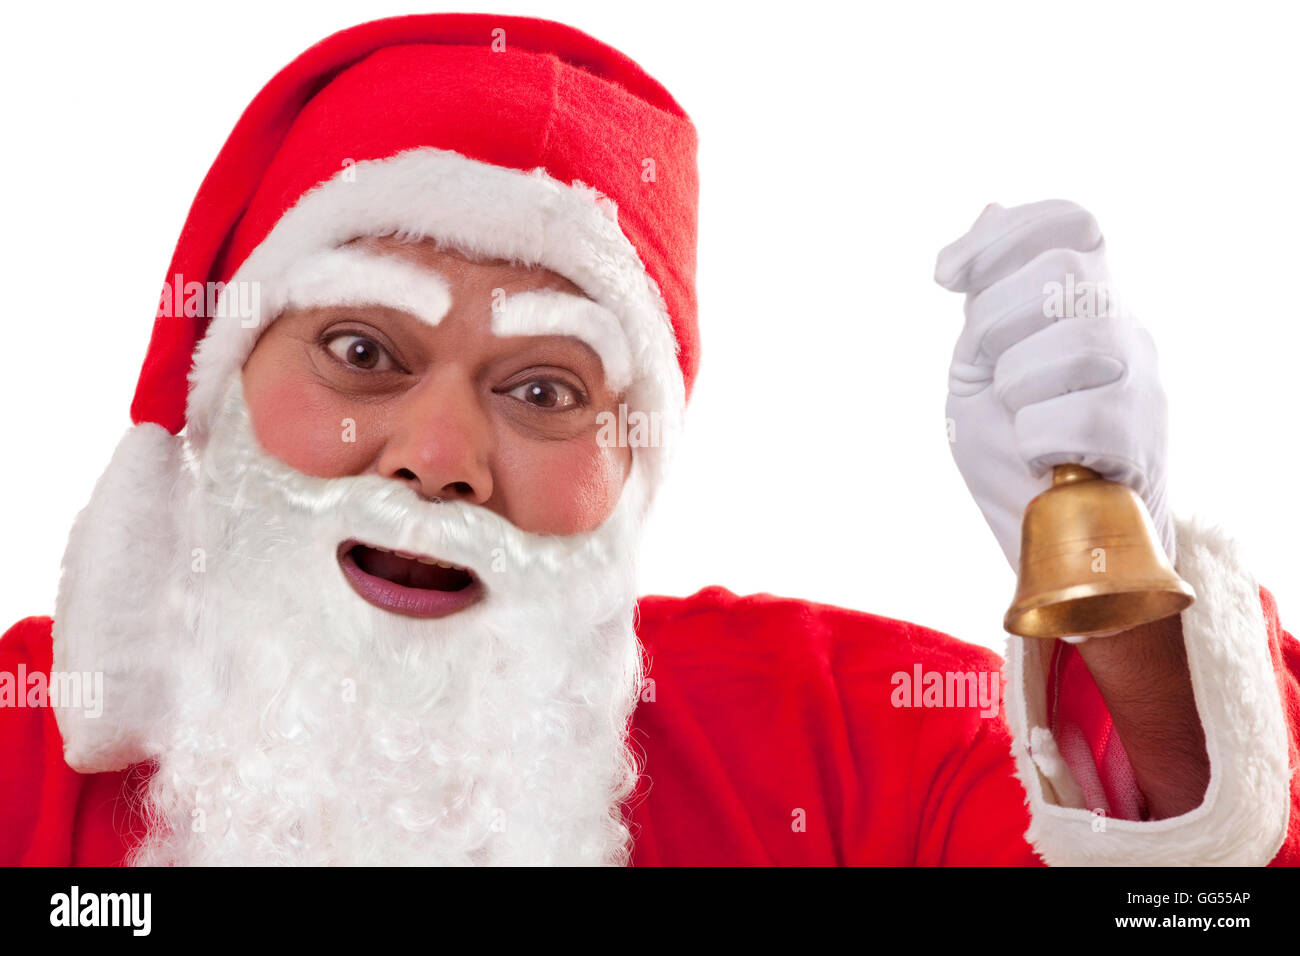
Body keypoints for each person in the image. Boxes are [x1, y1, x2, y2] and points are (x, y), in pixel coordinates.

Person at [1, 12, 1296, 866]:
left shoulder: (822, 744)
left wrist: (1117, 590)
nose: (438, 455)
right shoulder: (23, 738)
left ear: (631, 468)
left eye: (545, 389)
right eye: (362, 352)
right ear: (221, 388)